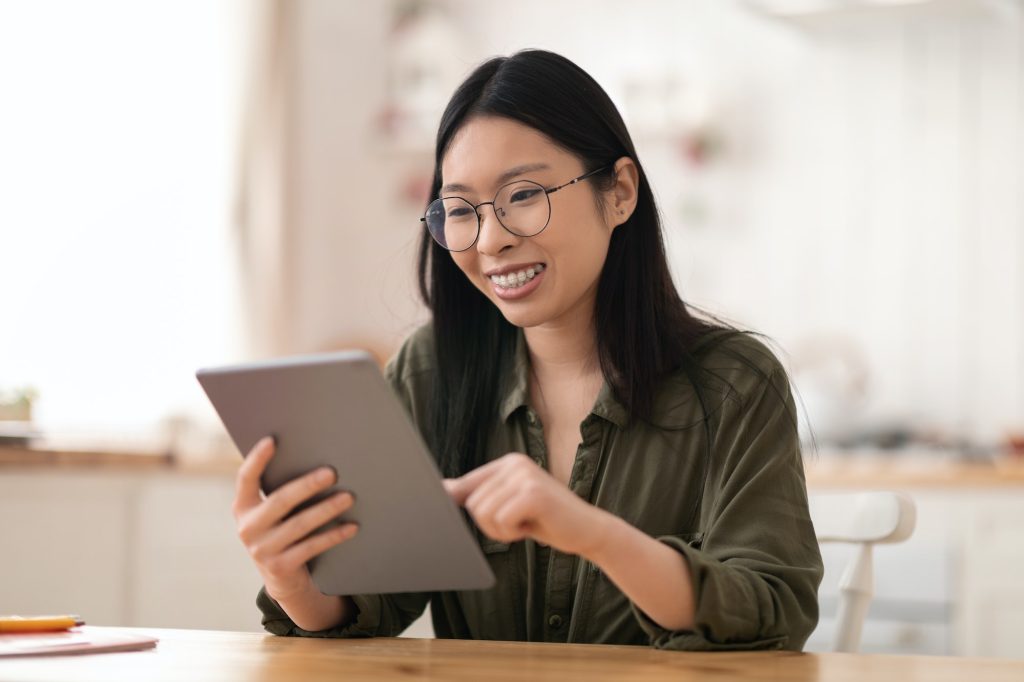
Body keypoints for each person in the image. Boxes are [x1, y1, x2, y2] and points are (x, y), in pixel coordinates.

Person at [234, 49, 823, 651]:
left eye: (522, 195)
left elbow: (771, 612)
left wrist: (593, 535)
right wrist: (290, 579)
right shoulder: (431, 372)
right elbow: (375, 598)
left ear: (619, 192)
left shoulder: (736, 385)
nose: (491, 240)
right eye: (462, 209)